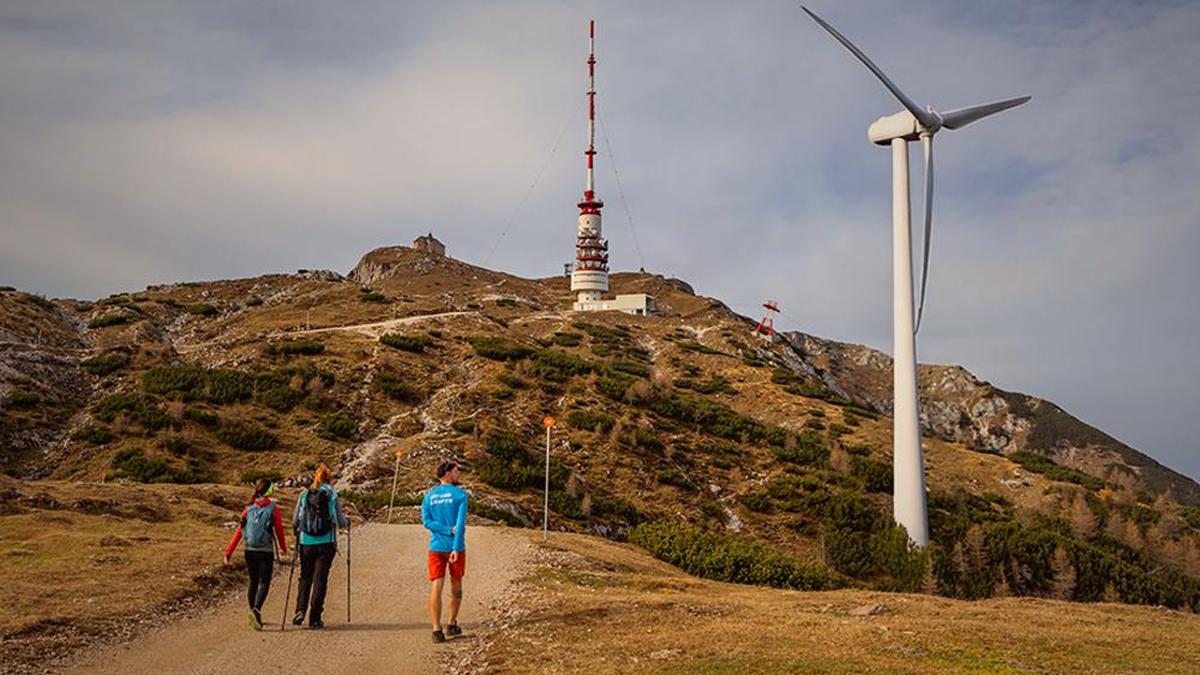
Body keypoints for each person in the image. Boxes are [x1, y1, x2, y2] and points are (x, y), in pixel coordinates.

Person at [223, 478, 289, 631]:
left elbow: (239, 531)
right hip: (265, 551)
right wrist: (283, 548)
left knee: (253, 582)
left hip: (250, 550)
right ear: (268, 491)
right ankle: (256, 610)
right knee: (264, 582)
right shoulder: (273, 508)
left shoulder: (248, 508)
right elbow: (279, 530)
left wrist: (229, 551)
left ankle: (254, 613)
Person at [291, 464, 349, 630]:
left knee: (305, 576)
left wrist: (298, 533)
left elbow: (296, 520)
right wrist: (347, 521)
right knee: (320, 579)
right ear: (329, 478)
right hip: (326, 543)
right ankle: (315, 618)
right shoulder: (331, 494)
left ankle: (300, 609)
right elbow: (339, 521)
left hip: (306, 542)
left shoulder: (304, 494)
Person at [421, 460, 468, 643]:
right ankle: (452, 623)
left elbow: (427, 522)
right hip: (455, 547)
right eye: (457, 471)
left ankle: (436, 629)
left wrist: (443, 529)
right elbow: (460, 525)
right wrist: (455, 545)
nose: (458, 474)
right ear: (448, 473)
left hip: (435, 547)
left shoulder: (429, 497)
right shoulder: (460, 496)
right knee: (456, 585)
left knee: (436, 585)